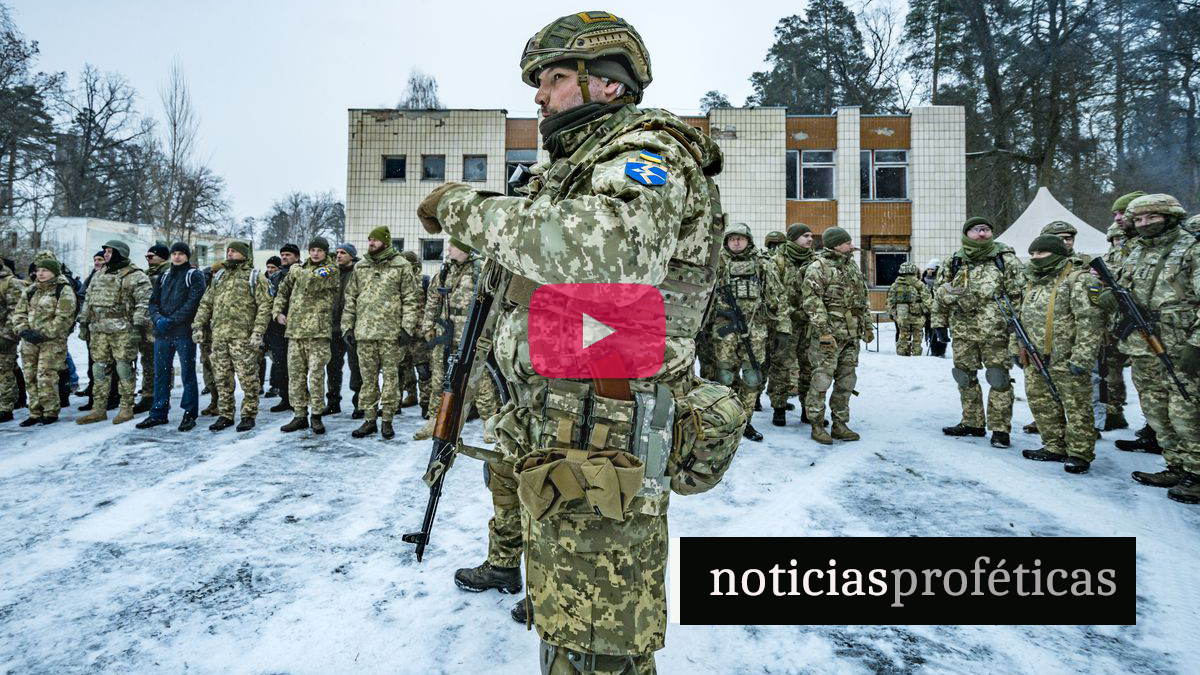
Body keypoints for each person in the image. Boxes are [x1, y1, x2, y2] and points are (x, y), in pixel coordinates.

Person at [415, 10, 727, 671]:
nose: (539, 95)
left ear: (609, 83)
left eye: (553, 78)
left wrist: (461, 208)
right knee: (570, 629)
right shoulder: (577, 167)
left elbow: (609, 250)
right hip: (564, 425)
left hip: (606, 434)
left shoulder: (649, 155)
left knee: (596, 649)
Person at [1103, 194, 1200, 504]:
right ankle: (1176, 465)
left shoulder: (1191, 249)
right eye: (1139, 219)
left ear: (1170, 217)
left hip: (1180, 345)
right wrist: (1111, 297)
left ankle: (1197, 473)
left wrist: (1197, 344)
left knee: (1186, 411)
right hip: (1142, 344)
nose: (1145, 224)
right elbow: (1124, 287)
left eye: (1152, 218)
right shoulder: (1135, 250)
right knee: (1155, 410)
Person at [932, 217, 1025, 448]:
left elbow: (1019, 297)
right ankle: (972, 422)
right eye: (976, 230)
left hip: (997, 332)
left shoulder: (1005, 260)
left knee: (999, 378)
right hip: (963, 331)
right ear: (966, 234)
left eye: (986, 229)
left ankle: (1000, 429)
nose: (982, 234)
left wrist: (1017, 331)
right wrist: (939, 324)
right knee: (964, 377)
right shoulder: (954, 261)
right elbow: (939, 295)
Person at [1016, 235, 1103, 473]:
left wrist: (1082, 357)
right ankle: (1054, 445)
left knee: (1076, 407)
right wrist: (1018, 348)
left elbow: (1090, 322)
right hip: (1035, 357)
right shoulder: (1033, 281)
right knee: (1041, 402)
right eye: (1033, 254)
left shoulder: (1077, 279)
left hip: (1067, 358)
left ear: (1056, 254)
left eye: (1041, 253)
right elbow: (1022, 319)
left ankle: (1079, 452)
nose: (1036, 258)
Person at [413, 239, 502, 441]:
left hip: (471, 333)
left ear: (464, 249)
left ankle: (489, 423)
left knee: (479, 380)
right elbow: (433, 300)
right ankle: (434, 420)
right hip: (445, 332)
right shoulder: (445, 271)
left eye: (453, 246)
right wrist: (428, 327)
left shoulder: (481, 270)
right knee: (439, 379)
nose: (449, 249)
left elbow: (494, 302)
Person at [708, 222, 790, 442]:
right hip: (724, 331)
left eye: (740, 239)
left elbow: (779, 297)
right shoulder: (717, 263)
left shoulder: (762, 265)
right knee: (724, 376)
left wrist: (783, 328)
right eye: (732, 239)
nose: (736, 242)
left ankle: (745, 420)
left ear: (749, 241)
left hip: (755, 331)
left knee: (752, 376)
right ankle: (725, 418)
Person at [341, 227, 421, 439]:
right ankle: (369, 419)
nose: (371, 243)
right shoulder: (361, 266)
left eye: (375, 240)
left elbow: (411, 299)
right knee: (368, 380)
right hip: (364, 333)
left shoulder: (401, 265)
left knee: (391, 379)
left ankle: (387, 419)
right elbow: (351, 299)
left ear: (385, 242)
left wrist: (406, 328)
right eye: (369, 240)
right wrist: (347, 327)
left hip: (391, 334)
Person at [192, 241, 272, 432]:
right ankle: (226, 413)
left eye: (234, 251)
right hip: (220, 337)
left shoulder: (254, 277)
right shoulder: (220, 276)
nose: (229, 253)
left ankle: (248, 414)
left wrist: (258, 332)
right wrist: (198, 325)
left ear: (244, 254)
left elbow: (265, 306)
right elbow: (206, 303)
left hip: (243, 338)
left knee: (248, 378)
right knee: (222, 378)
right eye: (228, 251)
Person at [801, 227, 871, 444]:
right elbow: (812, 302)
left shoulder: (851, 267)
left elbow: (862, 299)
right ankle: (817, 424)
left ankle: (840, 424)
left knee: (846, 381)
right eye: (847, 242)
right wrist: (824, 331)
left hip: (851, 335)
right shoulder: (818, 268)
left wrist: (867, 326)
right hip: (828, 337)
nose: (851, 245)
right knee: (821, 380)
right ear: (836, 244)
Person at [76, 239, 153, 425]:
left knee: (124, 368)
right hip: (99, 330)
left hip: (123, 331)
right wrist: (84, 322)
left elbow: (144, 303)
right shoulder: (99, 274)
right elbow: (89, 300)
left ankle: (126, 408)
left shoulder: (135, 275)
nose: (106, 255)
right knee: (99, 369)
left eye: (110, 252)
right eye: (106, 251)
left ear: (120, 253)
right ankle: (98, 409)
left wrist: (137, 327)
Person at [137, 242, 207, 431]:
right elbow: (153, 302)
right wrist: (157, 319)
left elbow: (194, 301)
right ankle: (158, 412)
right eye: (174, 253)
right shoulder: (164, 275)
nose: (177, 257)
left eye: (181, 254)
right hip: (162, 333)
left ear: (187, 256)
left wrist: (173, 320)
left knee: (187, 374)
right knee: (161, 373)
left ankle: (189, 413)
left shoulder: (194, 275)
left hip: (183, 333)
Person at [272, 237, 339, 434]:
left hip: (317, 332)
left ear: (325, 252)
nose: (315, 253)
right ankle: (299, 414)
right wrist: (277, 312)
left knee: (316, 375)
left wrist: (294, 269)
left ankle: (316, 415)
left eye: (319, 250)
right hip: (295, 331)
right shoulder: (299, 269)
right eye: (312, 250)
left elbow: (310, 281)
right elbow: (282, 291)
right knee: (296, 375)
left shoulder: (330, 269)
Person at [13, 256, 75, 425]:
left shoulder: (63, 290)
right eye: (38, 270)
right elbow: (19, 312)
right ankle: (34, 412)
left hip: (51, 342)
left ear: (54, 272)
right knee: (30, 376)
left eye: (45, 270)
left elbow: (64, 318)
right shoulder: (31, 289)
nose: (40, 273)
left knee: (46, 376)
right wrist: (23, 330)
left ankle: (50, 411)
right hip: (29, 341)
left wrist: (43, 334)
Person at [768, 223, 816, 426]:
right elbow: (772, 293)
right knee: (781, 367)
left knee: (809, 367)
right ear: (793, 238)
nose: (810, 239)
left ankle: (808, 409)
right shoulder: (777, 261)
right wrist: (791, 313)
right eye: (805, 235)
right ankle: (778, 408)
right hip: (784, 324)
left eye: (811, 235)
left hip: (810, 323)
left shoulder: (815, 261)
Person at [325, 243, 362, 416]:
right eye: (337, 253)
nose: (338, 256)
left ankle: (359, 403)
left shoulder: (359, 272)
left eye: (343, 253)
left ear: (351, 256)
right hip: (333, 327)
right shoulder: (331, 273)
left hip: (352, 328)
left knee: (356, 366)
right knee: (332, 366)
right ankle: (333, 402)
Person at [136, 244, 171, 413]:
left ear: (162, 257)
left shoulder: (168, 274)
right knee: (147, 360)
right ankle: (149, 394)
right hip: (146, 323)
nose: (148, 260)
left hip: (160, 323)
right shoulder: (146, 274)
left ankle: (160, 396)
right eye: (147, 257)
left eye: (151, 257)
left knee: (161, 362)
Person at [265, 244, 299, 410]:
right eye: (283, 254)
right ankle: (285, 398)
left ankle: (298, 399)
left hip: (298, 326)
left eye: (288, 255)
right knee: (280, 365)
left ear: (297, 257)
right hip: (277, 327)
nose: (284, 257)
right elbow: (269, 300)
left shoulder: (301, 273)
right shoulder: (275, 277)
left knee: (297, 366)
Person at [887, 261, 932, 357]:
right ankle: (916, 357)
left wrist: (893, 314)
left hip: (901, 315)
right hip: (917, 315)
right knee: (917, 338)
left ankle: (902, 357)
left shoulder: (895, 284)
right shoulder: (918, 284)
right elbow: (927, 301)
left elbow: (890, 301)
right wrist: (926, 312)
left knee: (903, 335)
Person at [0, 258, 23, 423]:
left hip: (3, 335)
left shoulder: (10, 283)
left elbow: (16, 312)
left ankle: (5, 408)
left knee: (4, 372)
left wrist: (7, 337)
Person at [922, 259, 948, 357]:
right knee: (930, 330)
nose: (929, 271)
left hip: (940, 308)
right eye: (928, 269)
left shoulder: (942, 280)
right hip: (929, 309)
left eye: (932, 269)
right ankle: (934, 350)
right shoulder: (923, 280)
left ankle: (941, 351)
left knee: (941, 330)